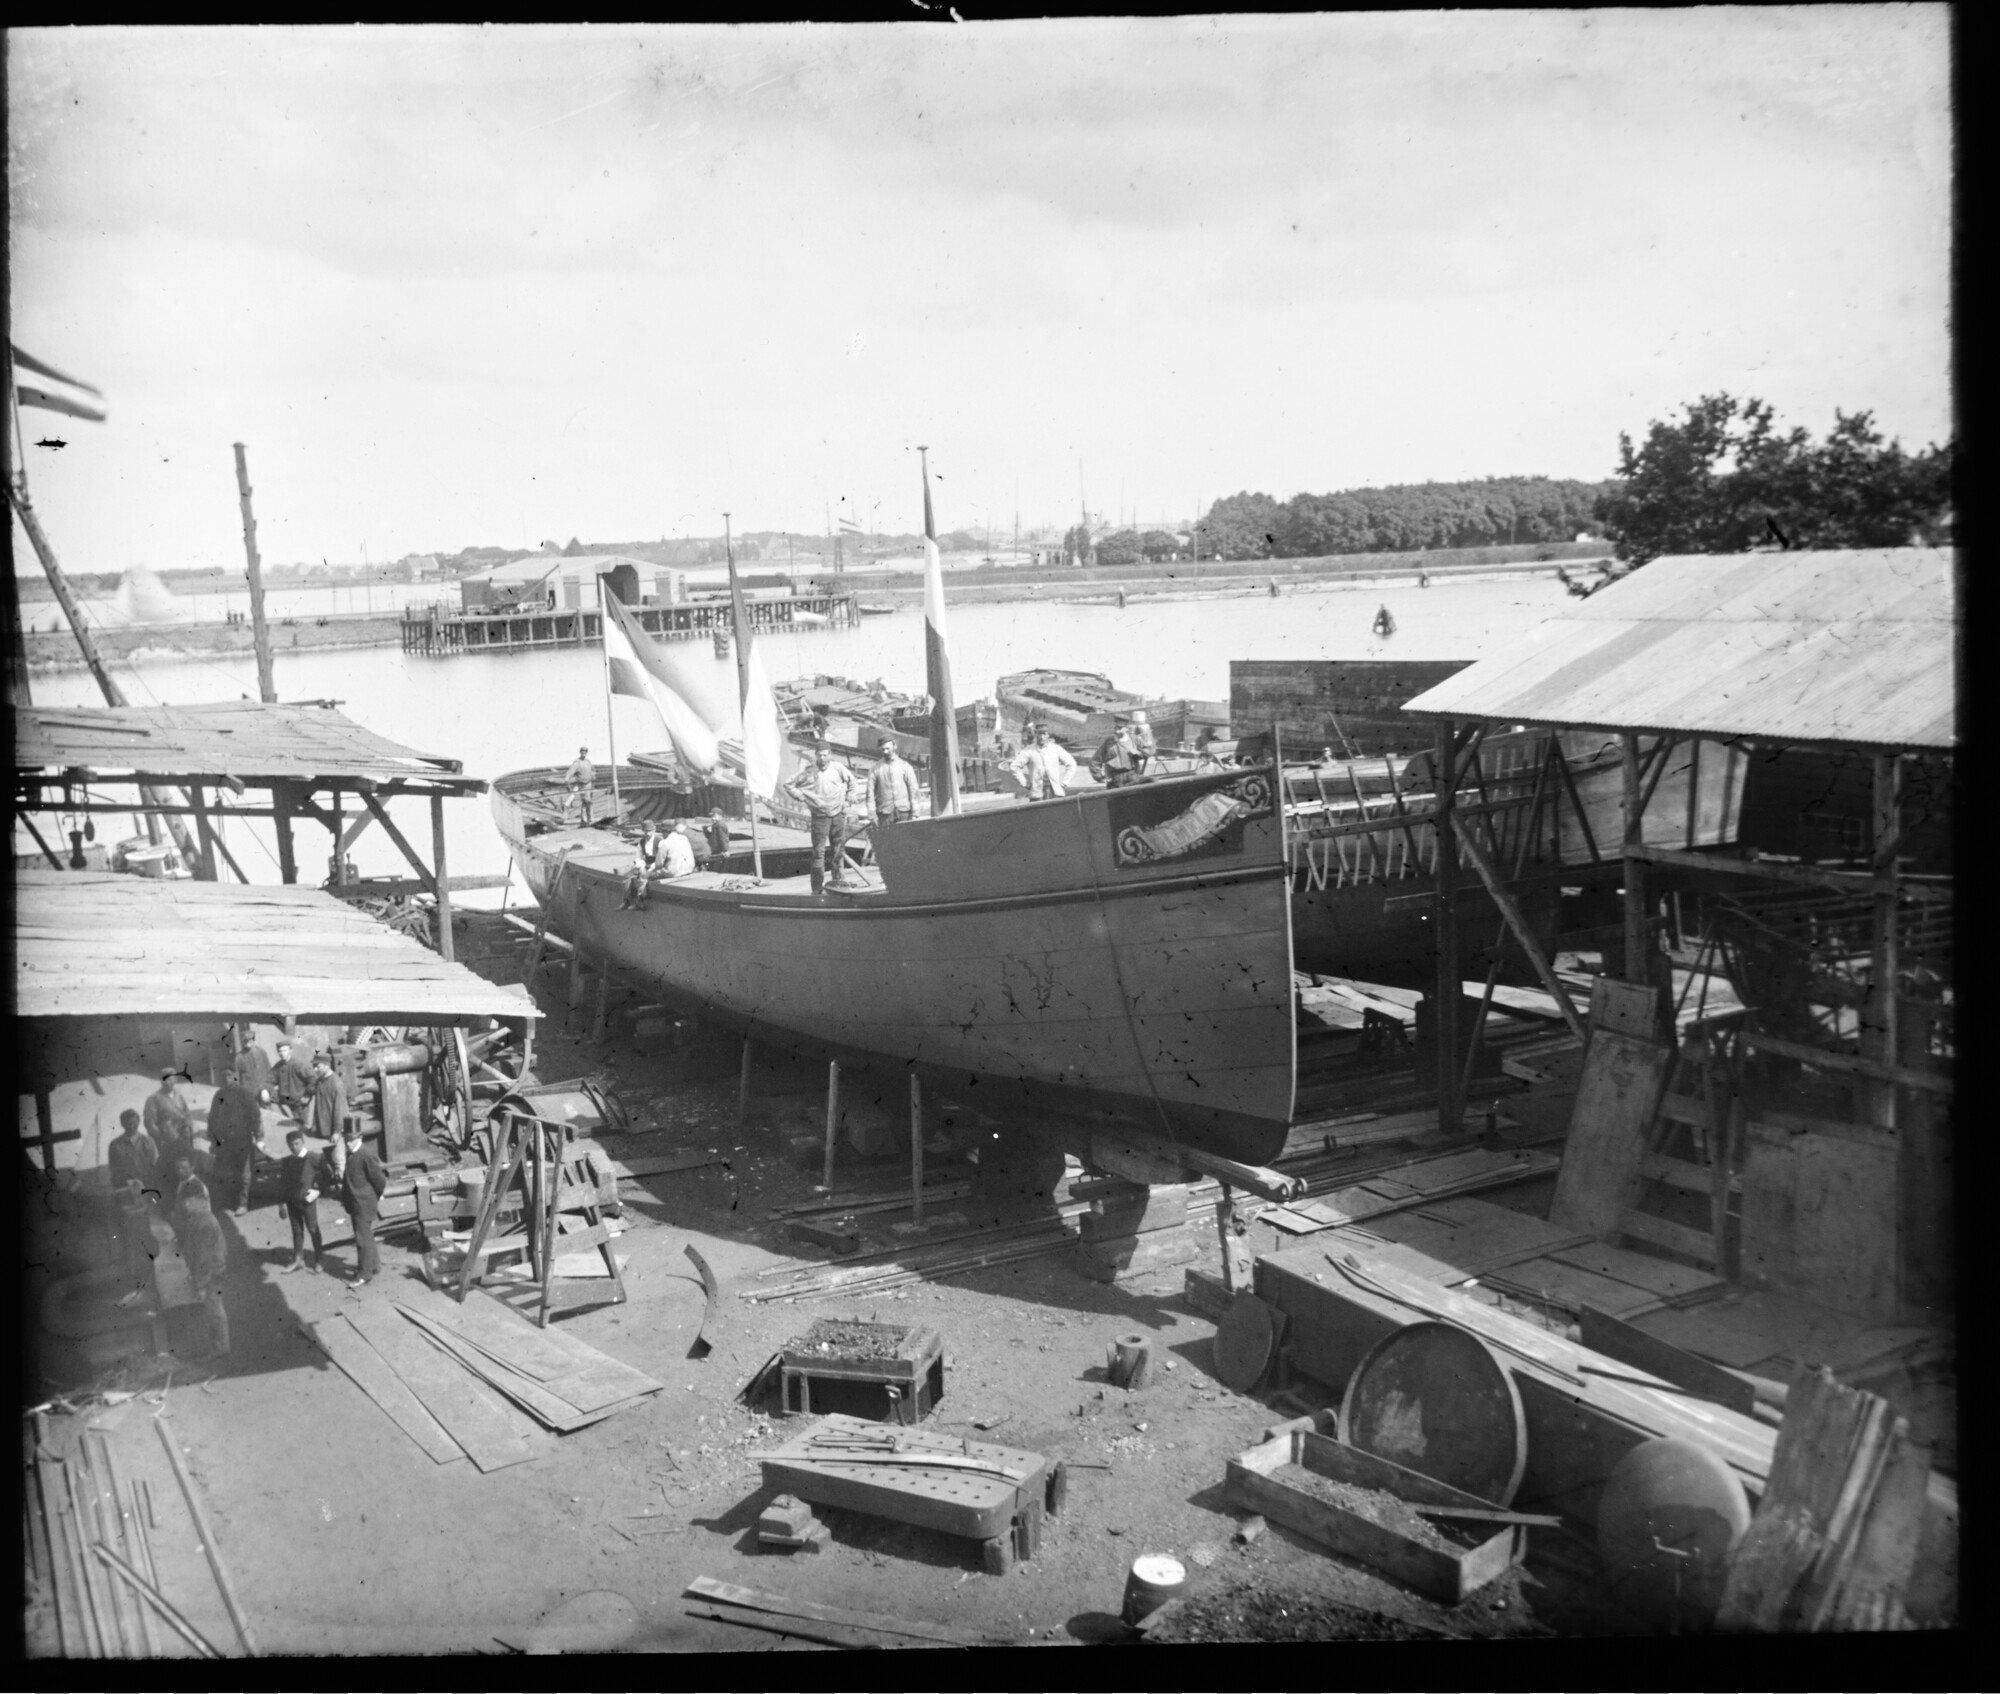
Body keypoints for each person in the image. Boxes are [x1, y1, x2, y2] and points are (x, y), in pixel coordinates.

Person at [783, 743, 862, 895]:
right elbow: (788, 784)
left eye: (825, 755)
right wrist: (799, 795)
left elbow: (852, 781)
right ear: (815, 755)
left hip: (838, 815)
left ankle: (838, 882)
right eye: (820, 755)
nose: (823, 758)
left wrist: (851, 795)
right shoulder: (808, 771)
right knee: (818, 852)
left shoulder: (838, 768)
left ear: (830, 754)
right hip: (820, 818)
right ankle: (817, 888)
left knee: (838, 850)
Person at [179, 1190, 231, 1359]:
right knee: (213, 1309)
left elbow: (203, 1257)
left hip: (211, 1273)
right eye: (185, 1201)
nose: (186, 1205)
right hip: (212, 1271)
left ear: (201, 1201)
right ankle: (218, 1345)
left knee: (214, 1310)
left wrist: (200, 1284)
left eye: (191, 1201)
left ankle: (220, 1348)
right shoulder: (199, 1218)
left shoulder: (204, 1222)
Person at [206, 1067, 264, 1215]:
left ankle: (242, 1204)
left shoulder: (245, 1094)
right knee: (223, 1173)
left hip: (242, 1141)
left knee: (244, 1174)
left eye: (230, 1075)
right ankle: (225, 1203)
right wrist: (213, 1141)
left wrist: (259, 1137)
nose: (227, 1078)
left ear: (235, 1076)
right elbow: (212, 1119)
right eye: (224, 1075)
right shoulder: (219, 1095)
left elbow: (255, 1116)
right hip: (225, 1142)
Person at [337, 1122, 388, 1285]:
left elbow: (379, 1180)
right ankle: (374, 1265)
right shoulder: (351, 1152)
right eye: (346, 1139)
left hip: (364, 1203)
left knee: (362, 1239)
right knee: (366, 1236)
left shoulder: (366, 1155)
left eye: (351, 1139)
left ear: (360, 1137)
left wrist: (375, 1196)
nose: (348, 1142)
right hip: (355, 1202)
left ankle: (364, 1273)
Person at [276, 1128, 326, 1273]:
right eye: (290, 1145)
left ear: (303, 1142)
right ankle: (298, 1259)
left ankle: (319, 1259)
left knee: (313, 1228)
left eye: (297, 1143)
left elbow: (327, 1175)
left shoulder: (314, 1158)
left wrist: (318, 1191)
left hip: (307, 1202)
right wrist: (281, 1204)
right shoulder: (287, 1162)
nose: (294, 1147)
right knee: (297, 1231)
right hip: (292, 1202)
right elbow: (282, 1184)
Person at [310, 1053, 349, 1179]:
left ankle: (345, 1190)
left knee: (339, 1162)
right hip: (323, 1130)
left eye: (317, 1066)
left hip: (334, 1132)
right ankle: (337, 1185)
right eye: (314, 1066)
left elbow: (340, 1110)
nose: (315, 1069)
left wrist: (337, 1131)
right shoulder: (320, 1081)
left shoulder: (336, 1084)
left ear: (327, 1066)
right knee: (330, 1161)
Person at [107, 1109, 158, 1196]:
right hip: (125, 1188)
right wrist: (129, 1182)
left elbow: (155, 1166)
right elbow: (114, 1170)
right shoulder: (115, 1145)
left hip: (148, 1187)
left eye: (134, 1122)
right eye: (128, 1123)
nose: (131, 1126)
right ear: (122, 1124)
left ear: (139, 1122)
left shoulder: (149, 1141)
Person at [871, 735, 919, 827]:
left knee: (906, 840)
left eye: (888, 749)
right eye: (882, 749)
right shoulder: (875, 769)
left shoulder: (905, 766)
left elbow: (914, 790)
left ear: (895, 746)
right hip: (884, 814)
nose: (885, 752)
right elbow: (870, 793)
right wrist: (872, 815)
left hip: (904, 812)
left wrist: (915, 813)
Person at [620, 821, 668, 908]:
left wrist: (650, 869)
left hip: (658, 865)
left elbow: (661, 859)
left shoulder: (660, 842)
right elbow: (638, 857)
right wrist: (641, 865)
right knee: (629, 877)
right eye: (646, 831)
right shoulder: (642, 842)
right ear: (643, 831)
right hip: (646, 865)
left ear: (654, 830)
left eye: (650, 831)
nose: (648, 833)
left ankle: (640, 902)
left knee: (643, 878)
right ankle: (627, 900)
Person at [142, 1068, 193, 1147]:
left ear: (175, 1080)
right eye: (163, 1079)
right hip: (165, 1141)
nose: (166, 1082)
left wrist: (187, 1127)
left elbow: (187, 1114)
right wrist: (162, 1138)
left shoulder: (179, 1095)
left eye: (169, 1079)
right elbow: (150, 1124)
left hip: (183, 1136)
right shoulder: (153, 1098)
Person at [270, 1039, 314, 1123]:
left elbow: (313, 1080)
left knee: (300, 1129)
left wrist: (307, 1095)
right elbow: (269, 1080)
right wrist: (266, 1090)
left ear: (290, 1050)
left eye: (285, 1050)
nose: (282, 1053)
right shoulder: (278, 1066)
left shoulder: (299, 1064)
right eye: (280, 1051)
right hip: (285, 1104)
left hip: (299, 1105)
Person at [1091, 723, 1142, 789]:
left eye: (1120, 728)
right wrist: (1099, 777)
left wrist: (1139, 754)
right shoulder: (1109, 742)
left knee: (1151, 780)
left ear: (1126, 728)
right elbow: (1095, 760)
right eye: (1115, 728)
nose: (1117, 731)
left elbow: (1149, 750)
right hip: (1115, 779)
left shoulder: (1134, 739)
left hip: (1132, 777)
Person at [563, 745, 595, 825]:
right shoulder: (577, 762)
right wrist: (567, 778)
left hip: (589, 784)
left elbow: (593, 770)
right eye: (582, 752)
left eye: (585, 752)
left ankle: (587, 820)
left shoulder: (588, 762)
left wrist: (593, 775)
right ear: (580, 752)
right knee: (587, 801)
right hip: (582, 784)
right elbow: (570, 771)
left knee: (587, 802)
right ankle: (587, 820)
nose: (584, 753)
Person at [1127, 710, 1157, 775]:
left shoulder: (1133, 728)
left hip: (1142, 752)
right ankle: (1138, 773)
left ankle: (1138, 773)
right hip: (1141, 751)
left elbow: (1148, 746)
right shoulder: (1145, 727)